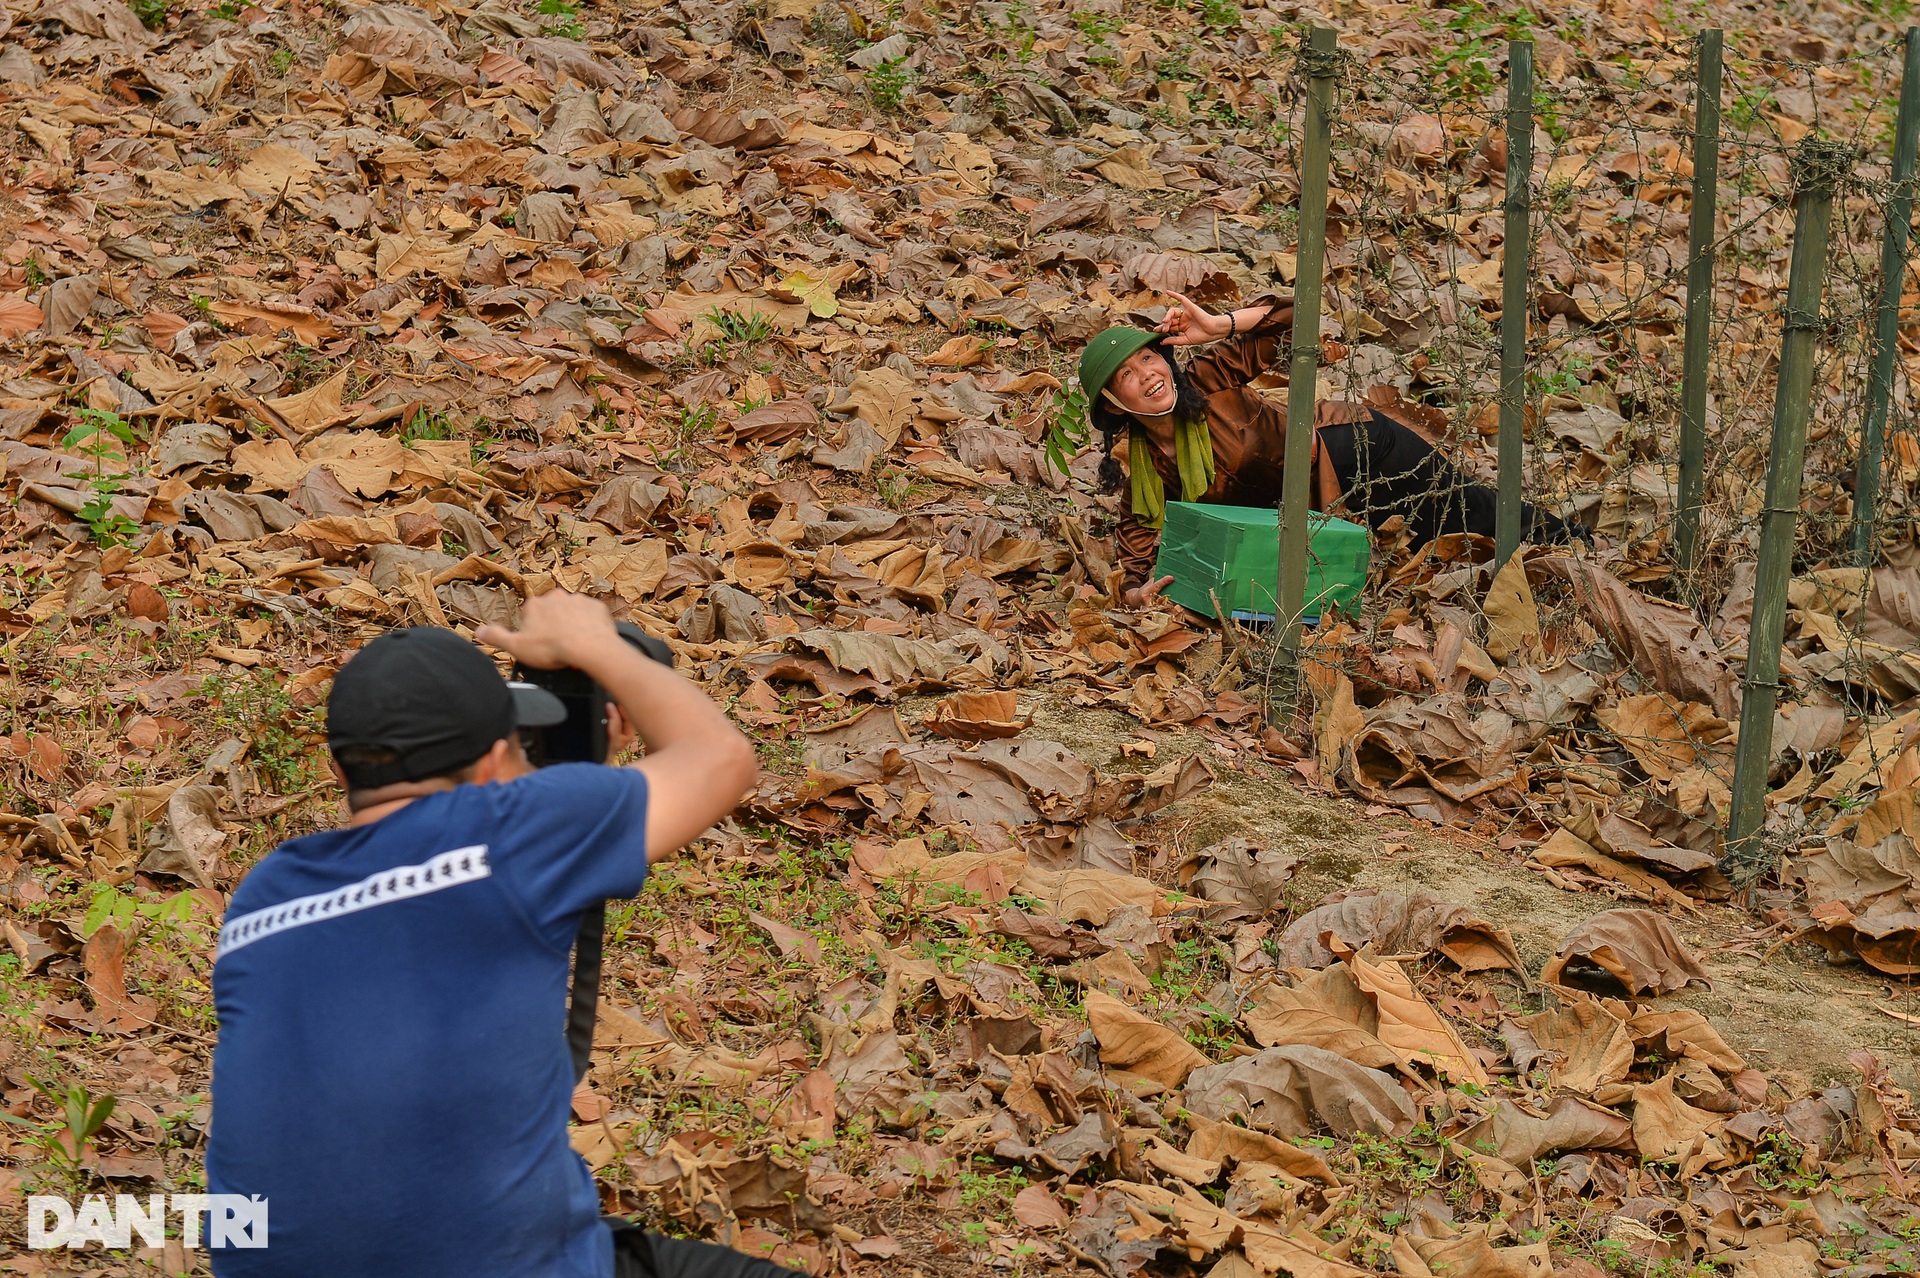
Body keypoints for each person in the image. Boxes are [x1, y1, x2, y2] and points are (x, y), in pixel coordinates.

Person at [206, 591, 776, 1278]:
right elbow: (720, 758)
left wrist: (571, 775)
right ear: (491, 766)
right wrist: (595, 647)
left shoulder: (266, 893)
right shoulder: (512, 835)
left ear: (337, 769)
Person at [1079, 292, 1579, 606]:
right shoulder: (1148, 472)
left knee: (1468, 510)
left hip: (1359, 450)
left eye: (1150, 358)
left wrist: (1217, 326)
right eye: (1126, 375)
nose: (1147, 375)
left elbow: (1296, 316)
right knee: (1437, 543)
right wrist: (1136, 592)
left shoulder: (1207, 381)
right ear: (1114, 405)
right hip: (1325, 503)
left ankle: (1574, 546)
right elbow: (1137, 548)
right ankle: (1543, 575)